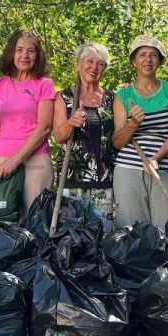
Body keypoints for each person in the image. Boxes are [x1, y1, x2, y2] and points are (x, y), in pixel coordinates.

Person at [111, 34, 168, 229]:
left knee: (167, 227)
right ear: (134, 61)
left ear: (160, 61)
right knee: (132, 230)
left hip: (167, 167)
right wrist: (133, 123)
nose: (148, 60)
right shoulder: (123, 95)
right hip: (129, 168)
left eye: (153, 55)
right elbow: (117, 142)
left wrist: (156, 158)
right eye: (142, 54)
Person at [0, 30, 56, 214]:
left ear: (37, 56)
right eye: (19, 50)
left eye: (31, 51)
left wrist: (14, 161)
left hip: (34, 161)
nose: (25, 55)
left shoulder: (44, 84)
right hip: (0, 160)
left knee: (34, 224)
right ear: (11, 53)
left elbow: (44, 128)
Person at [52, 42, 116, 221]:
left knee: (101, 232)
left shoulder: (112, 99)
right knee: (71, 235)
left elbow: (118, 138)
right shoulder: (64, 97)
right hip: (72, 178)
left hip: (104, 179)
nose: (94, 67)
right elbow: (58, 136)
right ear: (78, 64)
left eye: (100, 63)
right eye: (89, 61)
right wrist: (71, 122)